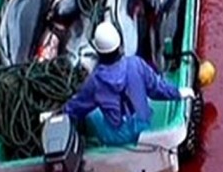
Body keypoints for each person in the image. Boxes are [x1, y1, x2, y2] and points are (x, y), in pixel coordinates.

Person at [43, 21, 195, 146]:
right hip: (144, 125)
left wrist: (56, 114)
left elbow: (76, 107)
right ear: (120, 45)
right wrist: (180, 92)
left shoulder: (95, 81)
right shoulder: (137, 64)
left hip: (118, 137)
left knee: (90, 113)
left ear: (97, 51)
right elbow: (157, 90)